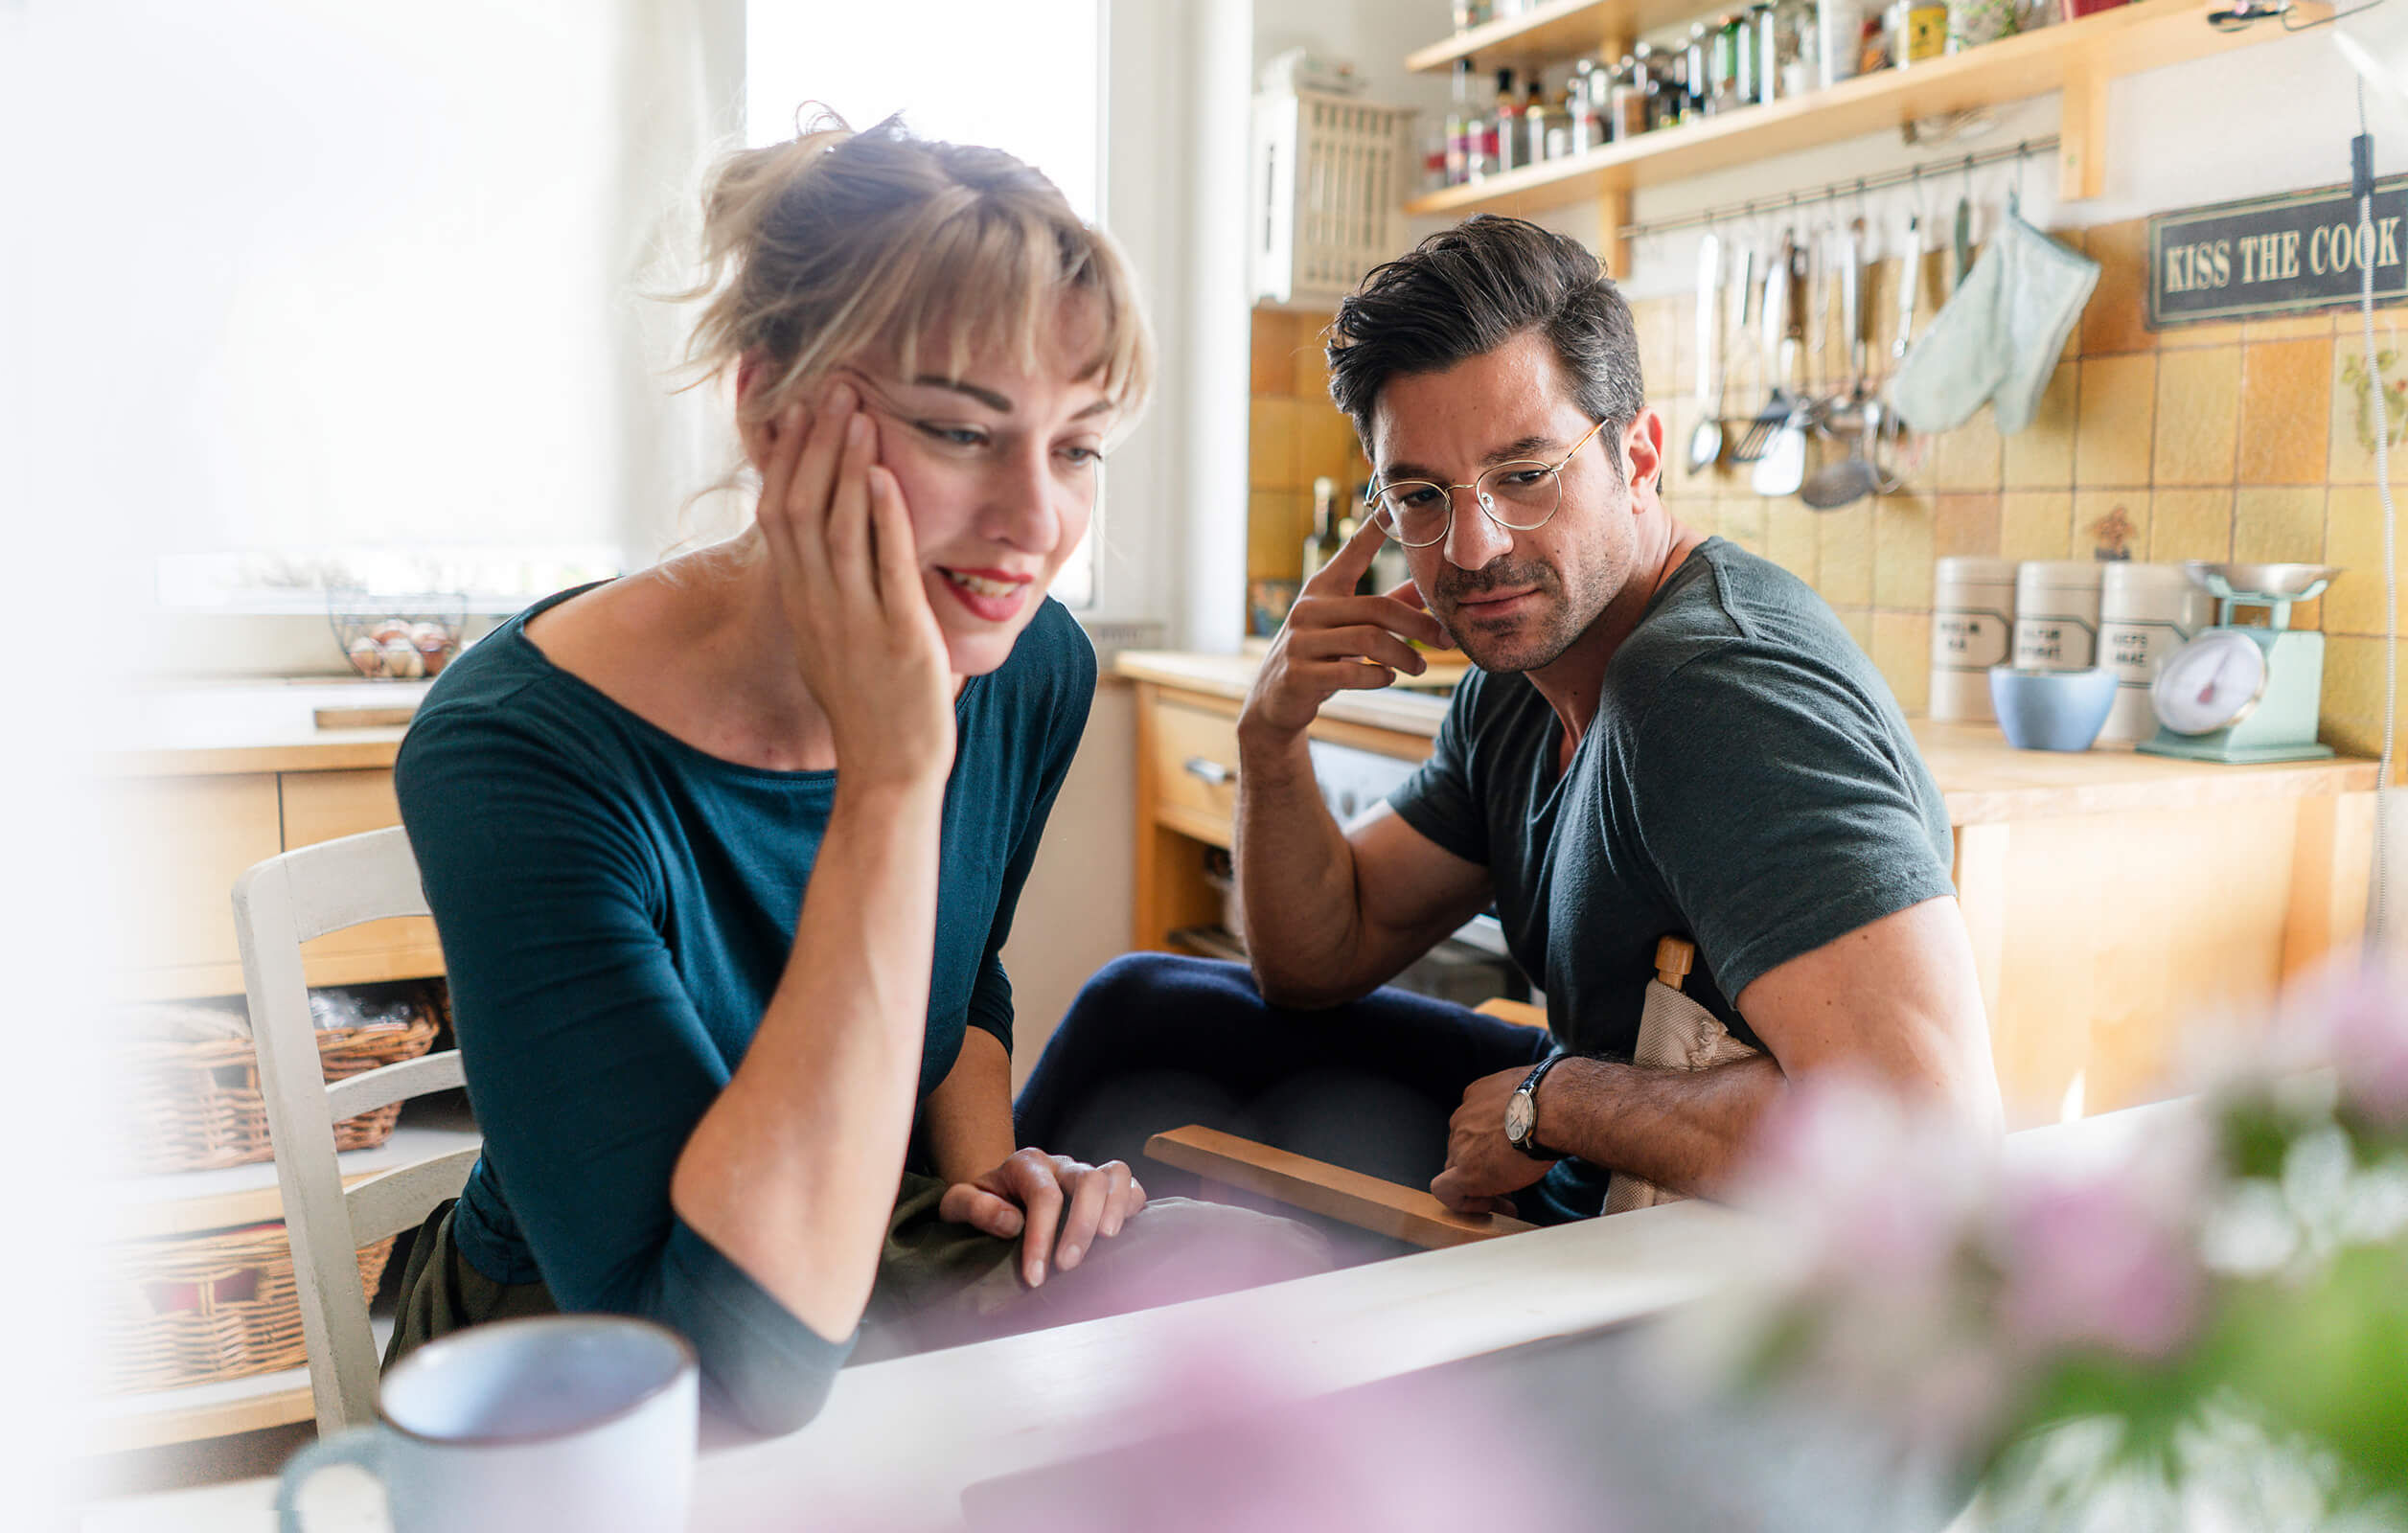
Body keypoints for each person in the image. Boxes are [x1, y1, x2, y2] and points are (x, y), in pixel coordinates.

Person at [390, 115, 1324, 1437]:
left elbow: (961, 967)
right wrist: (891, 776)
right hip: (587, 1350)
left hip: (857, 1249)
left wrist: (993, 1171)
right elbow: (723, 1374)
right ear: (769, 410)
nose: (1035, 523)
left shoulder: (1025, 663)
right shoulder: (518, 749)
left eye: (1075, 449)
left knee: (1252, 1300)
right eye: (960, 431)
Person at [1018, 215, 2003, 1225]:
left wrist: (1557, 1102)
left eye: (1524, 474)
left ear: (1640, 454)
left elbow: (1926, 1138)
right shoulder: (1517, 683)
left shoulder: (1716, 692)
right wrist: (1270, 737)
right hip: (1577, 1158)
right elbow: (1318, 959)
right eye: (1420, 495)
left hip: (1702, 1286)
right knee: (1141, 1015)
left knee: (1153, 1147)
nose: (1475, 547)